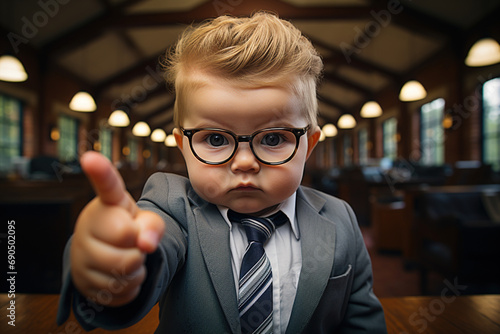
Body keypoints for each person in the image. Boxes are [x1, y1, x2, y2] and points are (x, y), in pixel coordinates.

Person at [57, 11, 387, 333]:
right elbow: (151, 249)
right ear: (183, 146)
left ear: (309, 145)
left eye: (273, 138)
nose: (244, 162)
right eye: (215, 138)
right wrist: (114, 265)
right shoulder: (171, 208)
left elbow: (361, 319)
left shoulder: (340, 218)